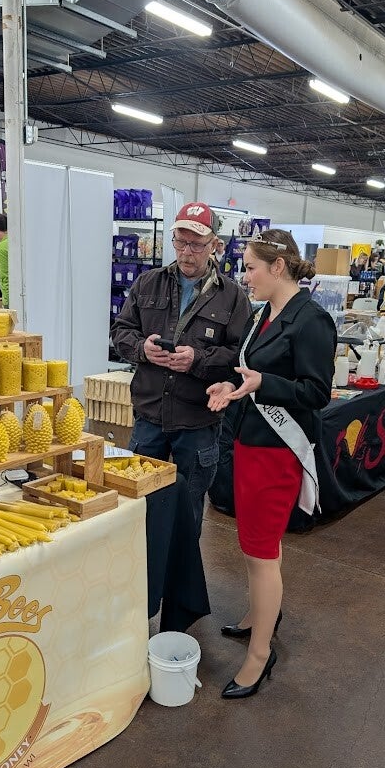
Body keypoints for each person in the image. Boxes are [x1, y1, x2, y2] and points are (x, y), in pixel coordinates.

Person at [206, 230, 336, 699]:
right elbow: (250, 372)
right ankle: (260, 615)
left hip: (278, 453)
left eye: (251, 267)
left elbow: (316, 392)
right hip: (250, 443)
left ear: (277, 267)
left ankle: (260, 655)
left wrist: (265, 384)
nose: (245, 277)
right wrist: (232, 386)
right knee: (256, 546)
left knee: (261, 552)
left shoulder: (312, 320)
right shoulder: (265, 312)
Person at [110, 202, 251, 532]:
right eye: (181, 242)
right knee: (138, 504)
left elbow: (241, 356)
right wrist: (142, 349)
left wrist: (197, 360)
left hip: (197, 419)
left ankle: (181, 564)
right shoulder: (147, 283)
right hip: (150, 414)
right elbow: (121, 331)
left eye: (196, 245)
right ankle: (145, 562)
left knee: (188, 508)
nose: (187, 252)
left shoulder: (233, 297)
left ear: (214, 245)